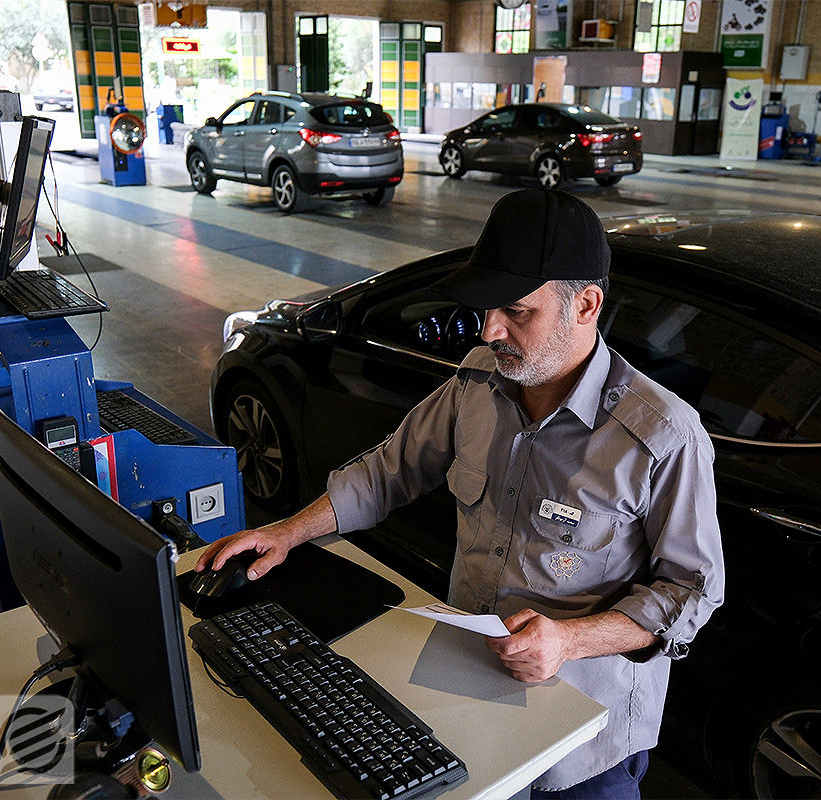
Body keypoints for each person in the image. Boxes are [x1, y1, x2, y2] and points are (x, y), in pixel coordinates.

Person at [196, 188, 725, 799]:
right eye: (485, 308)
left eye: (517, 312)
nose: (489, 329)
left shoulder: (662, 437)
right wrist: (284, 532)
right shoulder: (478, 384)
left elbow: (692, 590)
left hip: (584, 738)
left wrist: (569, 638)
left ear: (586, 304)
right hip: (467, 688)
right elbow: (387, 472)